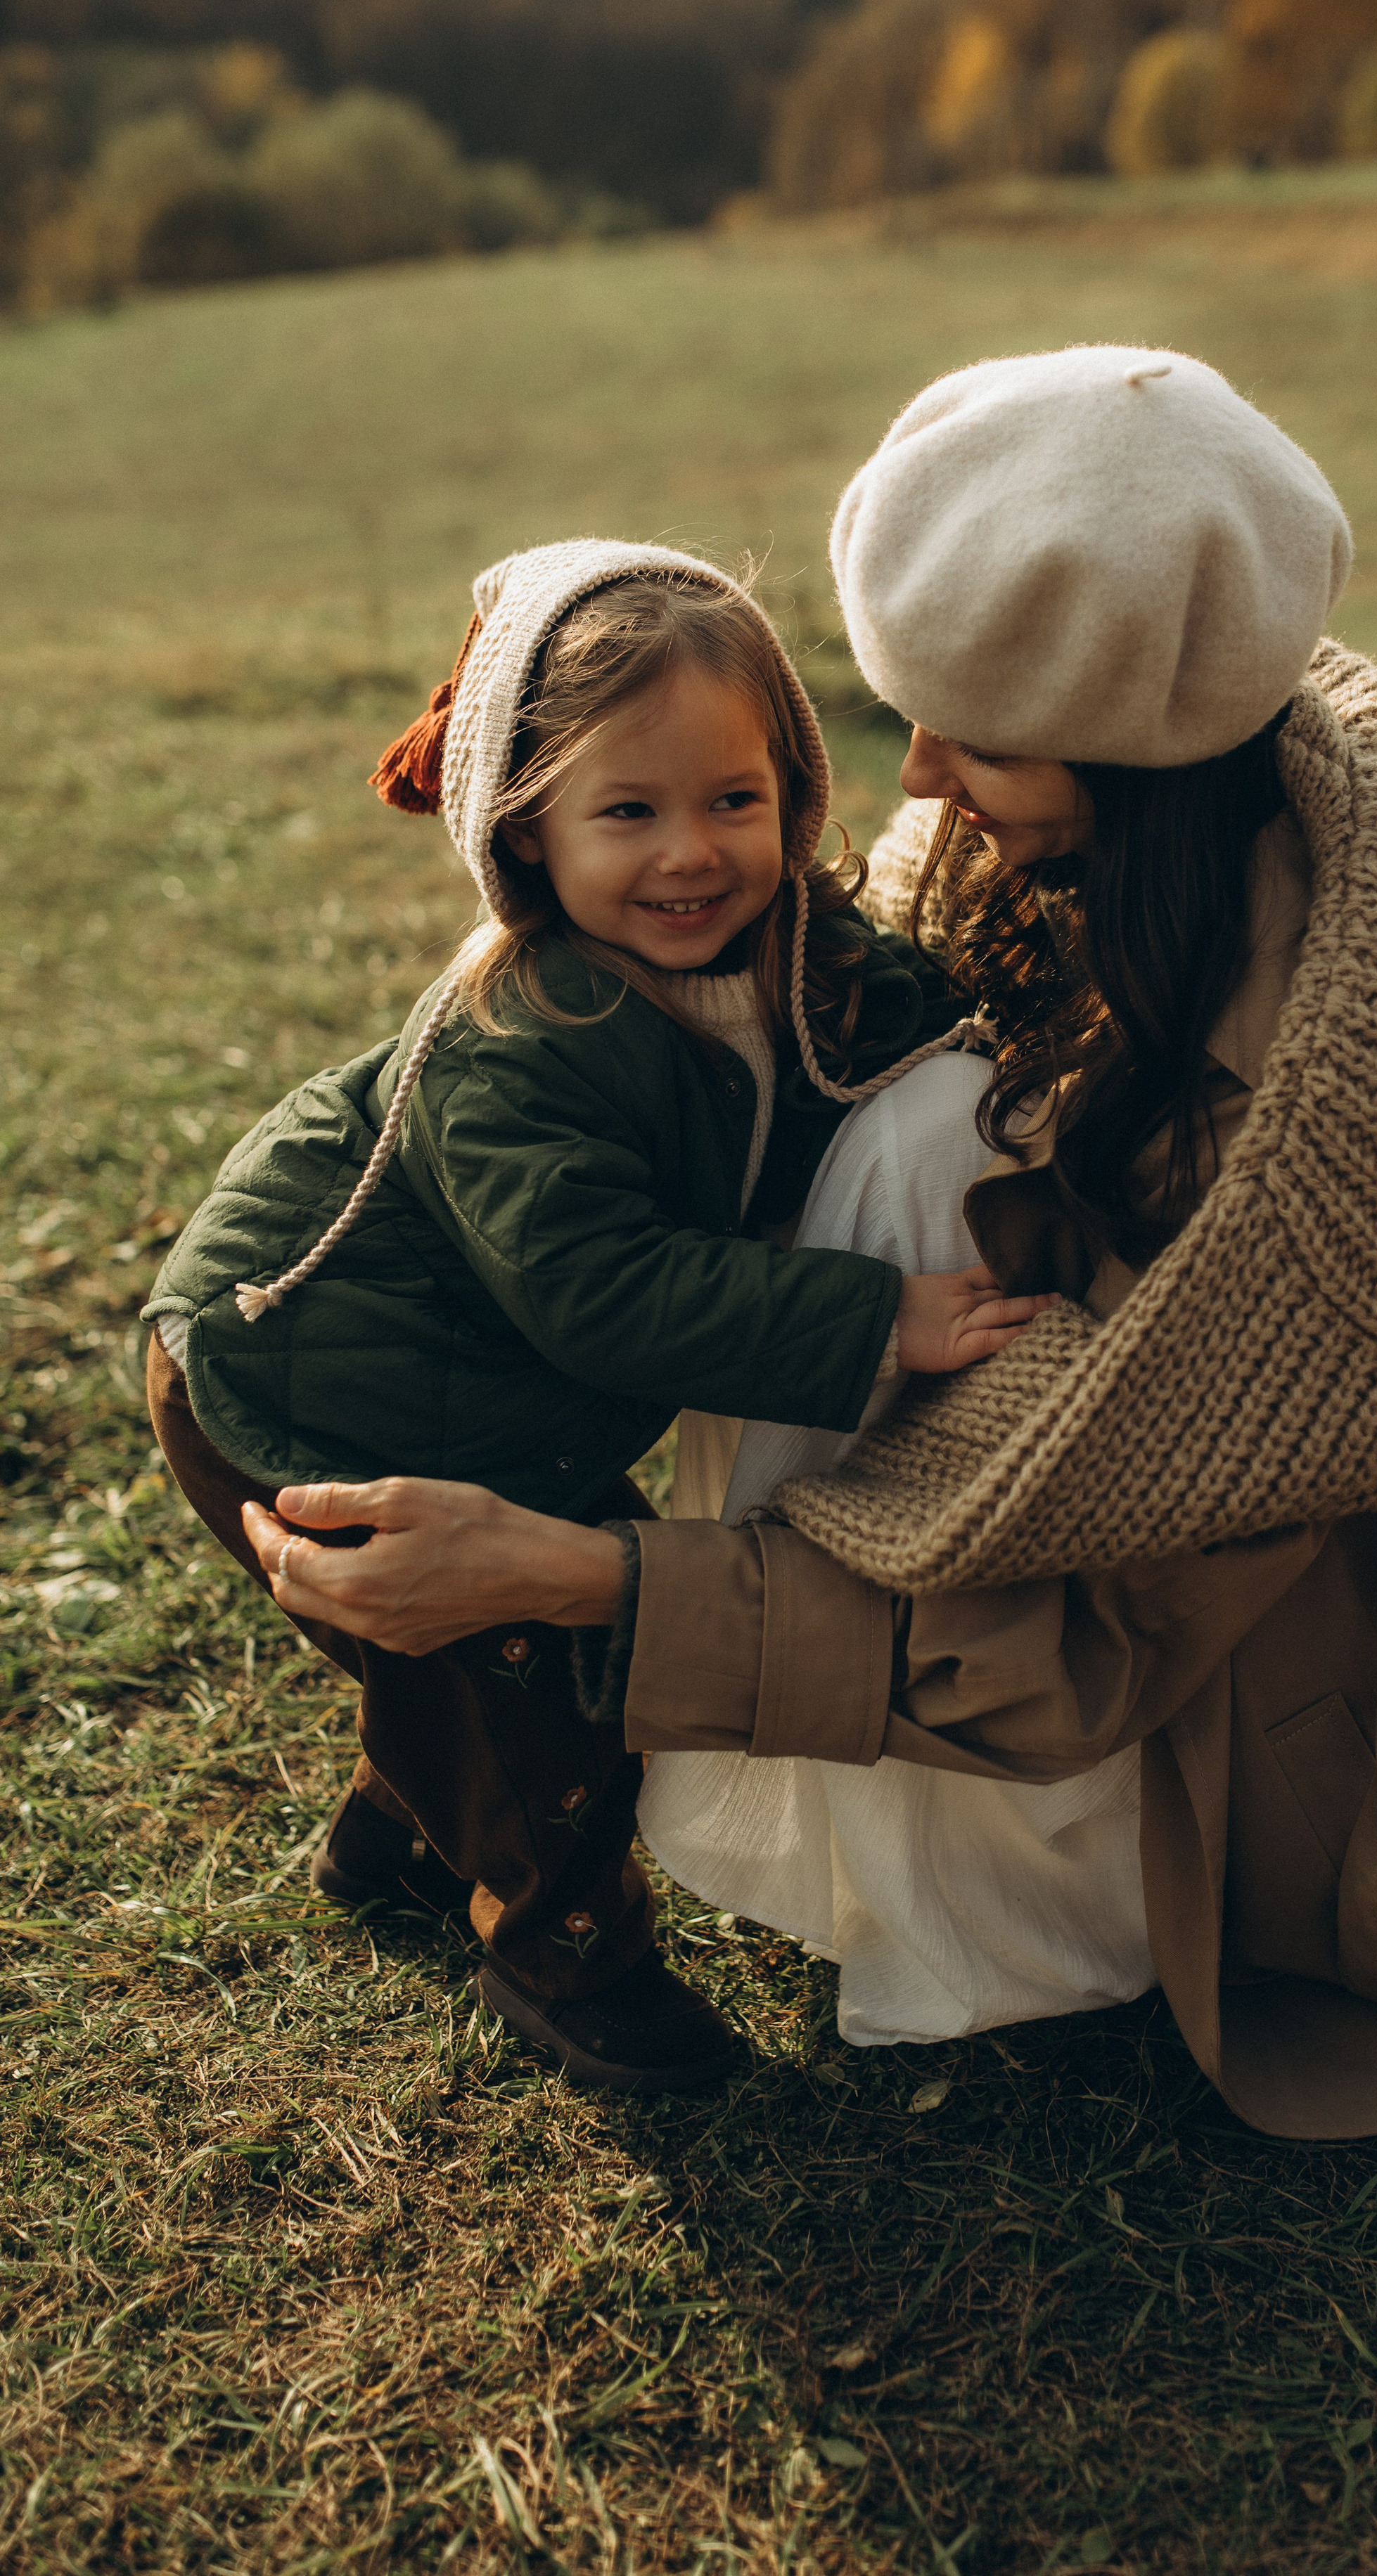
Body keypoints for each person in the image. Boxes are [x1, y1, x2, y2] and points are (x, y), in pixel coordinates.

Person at [238, 351, 1377, 2153]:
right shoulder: (1210, 802)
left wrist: (582, 1579)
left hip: (1362, 1759)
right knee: (896, 1116)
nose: (913, 775)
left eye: (971, 732)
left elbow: (1086, 1634)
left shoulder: (1336, 1121)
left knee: (913, 1138)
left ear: (1123, 737)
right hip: (1253, 1575)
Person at [143, 537, 1054, 2092]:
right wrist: (872, 1317)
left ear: (792, 795)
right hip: (309, 1394)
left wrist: (1023, 1031)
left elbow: (895, 1008)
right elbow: (599, 1292)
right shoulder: (522, 1041)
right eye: (625, 812)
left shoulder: (786, 944)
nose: (689, 853)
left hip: (477, 1397)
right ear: (526, 833)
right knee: (541, 1707)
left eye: (732, 801)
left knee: (463, 1675)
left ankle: (394, 1834)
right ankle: (571, 1964)